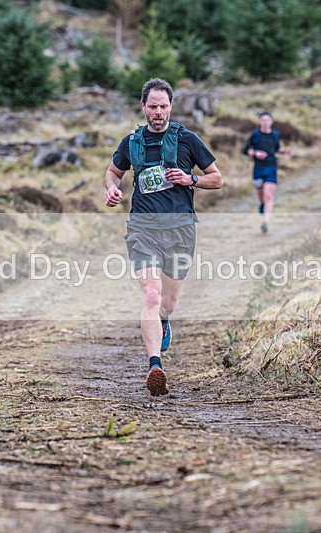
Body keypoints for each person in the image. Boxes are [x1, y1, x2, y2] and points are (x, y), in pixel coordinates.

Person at [104, 78, 223, 396]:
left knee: (168, 303)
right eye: (153, 106)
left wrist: (190, 178)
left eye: (163, 106)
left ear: (171, 106)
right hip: (143, 228)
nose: (158, 112)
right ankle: (154, 366)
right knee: (151, 296)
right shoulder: (131, 142)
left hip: (180, 230)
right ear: (143, 106)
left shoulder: (187, 140)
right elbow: (113, 172)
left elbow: (217, 179)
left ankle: (164, 320)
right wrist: (112, 188)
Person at [242, 112, 292, 234]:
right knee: (261, 194)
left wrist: (284, 151)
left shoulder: (275, 134)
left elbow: (276, 148)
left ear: (271, 122)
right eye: (263, 120)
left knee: (268, 195)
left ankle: (266, 222)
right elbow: (245, 150)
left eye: (267, 120)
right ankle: (262, 204)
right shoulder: (255, 135)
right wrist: (256, 153)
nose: (265, 122)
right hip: (258, 168)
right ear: (259, 122)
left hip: (271, 167)